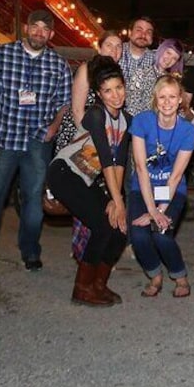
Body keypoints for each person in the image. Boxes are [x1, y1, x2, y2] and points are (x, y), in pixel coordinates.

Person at [0, 9, 72, 272]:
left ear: (51, 34)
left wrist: (53, 127)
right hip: (3, 139)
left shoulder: (58, 64)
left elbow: (64, 102)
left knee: (33, 199)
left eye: (45, 29)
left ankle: (30, 251)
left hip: (38, 142)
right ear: (26, 28)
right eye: (35, 26)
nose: (39, 32)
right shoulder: (1, 56)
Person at [46, 56, 129, 306]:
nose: (115, 96)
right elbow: (105, 160)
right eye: (107, 91)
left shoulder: (127, 120)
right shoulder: (95, 116)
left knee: (120, 230)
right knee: (104, 225)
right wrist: (116, 202)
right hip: (65, 172)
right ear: (99, 94)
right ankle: (82, 288)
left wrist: (119, 202)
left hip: (86, 179)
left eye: (118, 88)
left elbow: (120, 162)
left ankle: (98, 285)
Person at [53, 30, 124, 261]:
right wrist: (92, 133)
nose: (114, 50)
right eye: (110, 45)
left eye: (119, 47)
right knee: (84, 203)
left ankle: (95, 253)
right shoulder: (88, 69)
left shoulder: (115, 76)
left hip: (103, 140)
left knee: (100, 203)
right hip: (82, 138)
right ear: (99, 47)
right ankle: (82, 252)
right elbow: (76, 110)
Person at [129, 75, 194, 298]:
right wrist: (151, 210)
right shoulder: (141, 122)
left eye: (172, 97)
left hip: (172, 190)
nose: (167, 102)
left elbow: (175, 176)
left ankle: (180, 275)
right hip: (143, 187)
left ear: (180, 100)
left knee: (161, 233)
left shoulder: (187, 131)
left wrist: (160, 211)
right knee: (138, 235)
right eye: (162, 97)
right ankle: (155, 274)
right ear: (155, 99)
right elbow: (140, 167)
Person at [125, 38, 184, 116]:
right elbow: (131, 106)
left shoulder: (173, 81)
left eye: (174, 58)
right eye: (168, 53)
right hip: (141, 122)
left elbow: (178, 109)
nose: (169, 59)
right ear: (162, 49)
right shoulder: (141, 73)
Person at [118, 16, 156, 88]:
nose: (143, 35)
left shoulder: (156, 60)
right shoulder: (117, 50)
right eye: (139, 30)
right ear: (130, 33)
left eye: (148, 32)